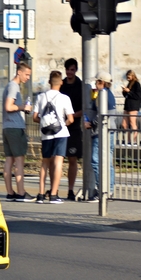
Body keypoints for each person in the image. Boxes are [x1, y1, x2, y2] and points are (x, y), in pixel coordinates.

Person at [33, 71, 75, 204]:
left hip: (46, 134)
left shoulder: (40, 97)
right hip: (61, 133)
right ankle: (53, 195)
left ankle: (40, 194)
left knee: (45, 162)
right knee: (58, 162)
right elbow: (71, 119)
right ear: (61, 82)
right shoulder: (64, 98)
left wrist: (46, 123)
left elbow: (35, 117)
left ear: (49, 82)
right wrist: (63, 124)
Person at [2, 62, 35, 202]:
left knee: (9, 160)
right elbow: (9, 107)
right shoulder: (14, 87)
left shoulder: (10, 86)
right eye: (26, 74)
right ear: (19, 72)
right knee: (19, 161)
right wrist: (23, 107)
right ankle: (21, 193)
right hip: (15, 128)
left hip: (7, 127)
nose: (27, 77)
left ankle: (10, 192)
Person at [85, 71, 117, 202]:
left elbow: (101, 115)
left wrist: (91, 124)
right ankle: (109, 190)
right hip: (110, 131)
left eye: (97, 82)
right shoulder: (110, 95)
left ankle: (101, 191)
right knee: (108, 162)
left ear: (102, 83)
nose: (95, 84)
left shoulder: (102, 95)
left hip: (100, 132)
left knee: (96, 161)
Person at [60, 58, 83, 201]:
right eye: (68, 69)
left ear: (76, 70)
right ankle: (54, 189)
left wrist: (72, 116)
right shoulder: (61, 85)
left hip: (74, 127)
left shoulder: (80, 86)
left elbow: (83, 108)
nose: (69, 72)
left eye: (72, 70)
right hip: (60, 126)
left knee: (72, 158)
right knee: (57, 158)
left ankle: (70, 190)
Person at [122, 69, 141, 146]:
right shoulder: (129, 83)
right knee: (124, 124)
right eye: (127, 75)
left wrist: (129, 91)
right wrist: (124, 91)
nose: (127, 77)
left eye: (129, 75)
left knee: (132, 122)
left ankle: (134, 141)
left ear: (133, 76)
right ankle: (127, 140)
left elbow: (137, 96)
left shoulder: (136, 84)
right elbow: (127, 96)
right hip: (127, 105)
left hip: (133, 105)